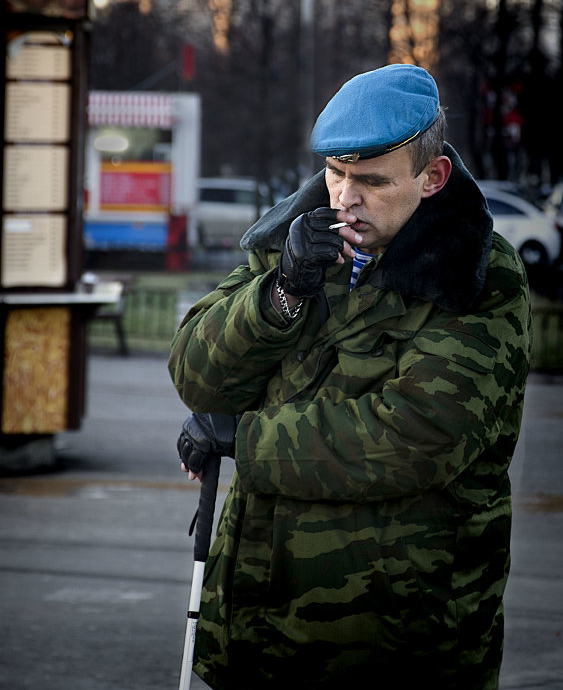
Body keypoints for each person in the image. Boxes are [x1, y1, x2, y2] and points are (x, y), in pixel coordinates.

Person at [169, 64, 533, 690]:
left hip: (394, 639)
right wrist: (281, 292)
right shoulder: (298, 240)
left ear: (433, 177)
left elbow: (419, 436)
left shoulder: (478, 275)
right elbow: (198, 376)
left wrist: (245, 439)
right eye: (335, 173)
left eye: (370, 181)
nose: (344, 197)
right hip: (259, 620)